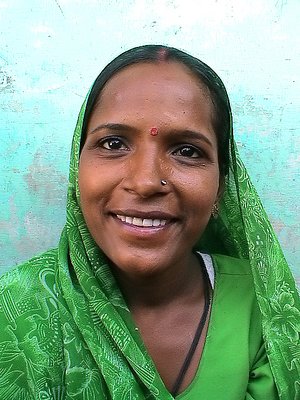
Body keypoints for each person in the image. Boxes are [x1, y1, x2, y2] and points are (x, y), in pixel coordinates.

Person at [0, 45, 299, 400]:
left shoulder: (265, 306)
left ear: (221, 188)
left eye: (187, 151)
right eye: (113, 143)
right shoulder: (16, 309)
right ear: (76, 170)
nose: (144, 181)